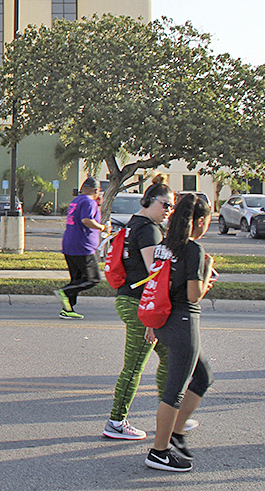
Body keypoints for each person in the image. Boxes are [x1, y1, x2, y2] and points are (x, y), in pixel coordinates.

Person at [143, 196, 216, 472]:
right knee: (174, 391)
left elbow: (155, 286)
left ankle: (175, 433)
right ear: (199, 221)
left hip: (164, 320)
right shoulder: (193, 250)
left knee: (203, 376)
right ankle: (159, 452)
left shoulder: (164, 247)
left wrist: (152, 323)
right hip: (183, 322)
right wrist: (207, 270)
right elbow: (194, 295)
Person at [102, 182, 173, 441]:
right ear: (149, 201)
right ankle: (116, 422)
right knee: (133, 367)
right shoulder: (149, 231)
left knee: (169, 357)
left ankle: (171, 413)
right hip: (140, 305)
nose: (168, 209)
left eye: (172, 206)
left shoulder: (134, 223)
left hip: (133, 301)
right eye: (165, 204)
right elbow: (155, 271)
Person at [55, 177, 110, 319]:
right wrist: (103, 227)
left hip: (70, 244)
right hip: (82, 247)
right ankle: (65, 292)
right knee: (93, 279)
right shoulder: (88, 202)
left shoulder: (76, 200)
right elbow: (86, 220)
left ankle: (68, 309)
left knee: (77, 279)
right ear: (96, 190)